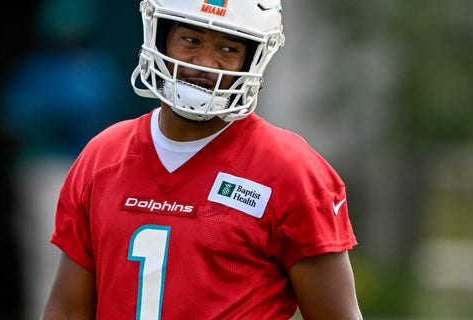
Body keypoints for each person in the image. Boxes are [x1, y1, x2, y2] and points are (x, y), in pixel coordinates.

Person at [41, 0, 363, 319]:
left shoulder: (293, 173)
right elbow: (68, 310)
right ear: (160, 36)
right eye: (191, 40)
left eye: (228, 49)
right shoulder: (103, 158)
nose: (205, 63)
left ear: (252, 58)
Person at [0, 0, 125, 318]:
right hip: (46, 166)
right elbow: (8, 120)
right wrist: (49, 114)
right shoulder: (37, 69)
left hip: (94, 169)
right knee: (48, 254)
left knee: (101, 254)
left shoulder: (100, 68)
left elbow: (116, 121)